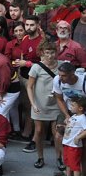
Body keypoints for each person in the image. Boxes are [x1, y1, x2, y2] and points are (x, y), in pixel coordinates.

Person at [27, 40, 63, 168]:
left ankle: (59, 158)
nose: (50, 55)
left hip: (56, 104)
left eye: (52, 52)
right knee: (39, 131)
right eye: (47, 52)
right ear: (42, 52)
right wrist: (33, 104)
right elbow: (29, 87)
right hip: (39, 104)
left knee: (57, 133)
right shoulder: (36, 67)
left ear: (56, 52)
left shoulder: (62, 65)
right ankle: (40, 157)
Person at [59, 95, 86, 176]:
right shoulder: (74, 116)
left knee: (74, 164)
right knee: (67, 161)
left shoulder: (82, 118)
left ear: (80, 108)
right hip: (67, 142)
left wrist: (79, 137)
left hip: (74, 145)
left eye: (73, 105)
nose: (71, 107)